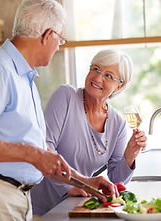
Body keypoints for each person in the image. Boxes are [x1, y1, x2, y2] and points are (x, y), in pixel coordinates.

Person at [0, 1, 118, 221]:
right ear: (48, 35)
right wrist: (33, 154)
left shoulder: (23, 76)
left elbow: (37, 148)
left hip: (11, 195)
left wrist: (83, 180)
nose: (59, 46)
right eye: (60, 39)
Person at [31, 49, 147, 215]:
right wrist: (71, 184)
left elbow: (116, 181)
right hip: (42, 207)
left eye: (108, 75)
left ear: (119, 85)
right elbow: (44, 145)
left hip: (79, 207)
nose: (98, 77)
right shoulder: (66, 97)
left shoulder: (118, 123)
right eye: (95, 69)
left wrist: (131, 153)